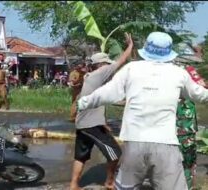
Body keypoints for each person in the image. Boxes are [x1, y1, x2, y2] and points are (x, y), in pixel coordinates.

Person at [76, 31, 208, 190]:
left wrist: (84, 102)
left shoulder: (131, 69)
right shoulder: (179, 73)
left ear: (146, 50)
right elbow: (199, 94)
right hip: (166, 144)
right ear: (169, 53)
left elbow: (107, 93)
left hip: (134, 142)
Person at [69, 33, 133, 190]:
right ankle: (109, 182)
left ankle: (73, 185)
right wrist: (130, 45)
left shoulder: (91, 77)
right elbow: (121, 61)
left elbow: (99, 103)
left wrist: (104, 123)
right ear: (101, 64)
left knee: (81, 156)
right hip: (91, 125)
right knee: (116, 153)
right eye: (106, 64)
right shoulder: (100, 73)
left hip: (83, 123)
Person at [175, 62, 208, 190]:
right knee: (187, 162)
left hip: (165, 123)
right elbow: (202, 86)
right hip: (184, 122)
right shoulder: (187, 69)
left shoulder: (153, 70)